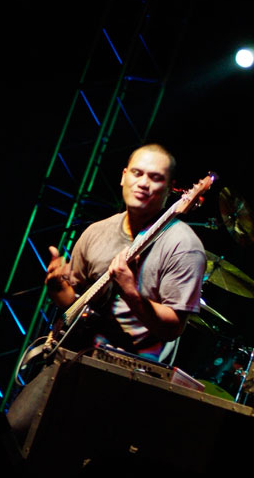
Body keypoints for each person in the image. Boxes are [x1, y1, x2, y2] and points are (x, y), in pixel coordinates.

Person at [44, 143, 206, 362]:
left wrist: (130, 290)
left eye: (155, 178)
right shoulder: (95, 232)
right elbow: (74, 307)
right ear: (123, 176)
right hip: (70, 358)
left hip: (128, 374)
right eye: (137, 173)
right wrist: (57, 287)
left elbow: (173, 328)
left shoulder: (184, 246)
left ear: (170, 188)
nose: (143, 184)